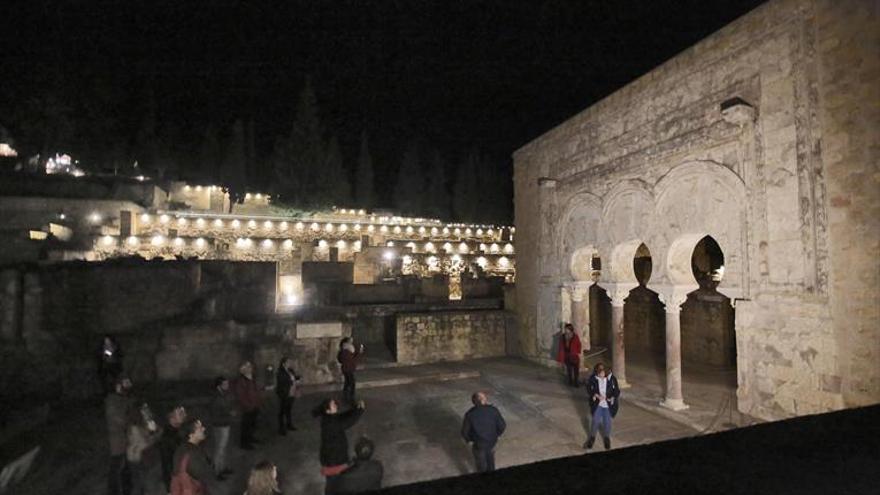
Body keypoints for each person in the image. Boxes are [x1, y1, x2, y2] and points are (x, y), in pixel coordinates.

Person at [312, 398, 366, 490]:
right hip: (334, 460)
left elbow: (344, 416)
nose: (336, 405)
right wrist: (360, 410)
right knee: (335, 483)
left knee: (334, 482)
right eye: (333, 405)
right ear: (328, 410)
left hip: (331, 457)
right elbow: (348, 422)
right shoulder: (331, 423)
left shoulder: (329, 417)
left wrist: (355, 409)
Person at [461, 391, 506, 473]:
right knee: (491, 460)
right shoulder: (493, 410)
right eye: (485, 397)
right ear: (483, 400)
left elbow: (464, 432)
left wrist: (469, 440)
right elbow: (502, 425)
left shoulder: (470, 414)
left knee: (481, 464)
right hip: (492, 441)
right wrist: (498, 435)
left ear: (474, 402)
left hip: (478, 444)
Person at [170, 418, 215, 494]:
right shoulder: (193, 454)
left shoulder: (181, 448)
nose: (204, 428)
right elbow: (205, 475)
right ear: (191, 435)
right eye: (199, 428)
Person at [106, 375, 134, 495]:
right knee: (116, 467)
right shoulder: (112, 401)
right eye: (125, 384)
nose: (128, 386)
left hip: (125, 438)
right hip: (116, 439)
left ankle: (127, 489)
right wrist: (129, 419)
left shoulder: (124, 399)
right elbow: (119, 419)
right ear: (118, 386)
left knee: (125, 466)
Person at [126, 402, 162, 495]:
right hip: (137, 458)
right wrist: (154, 434)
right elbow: (144, 443)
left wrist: (155, 431)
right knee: (139, 484)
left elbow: (154, 433)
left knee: (142, 483)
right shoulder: (134, 428)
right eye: (143, 411)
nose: (146, 413)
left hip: (142, 457)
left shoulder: (143, 424)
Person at [585, 362, 621, 450]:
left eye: (602, 372)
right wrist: (595, 395)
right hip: (598, 404)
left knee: (607, 423)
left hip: (608, 405)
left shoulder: (611, 379)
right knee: (595, 421)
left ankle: (607, 438)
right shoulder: (594, 378)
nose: (601, 374)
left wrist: (612, 397)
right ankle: (592, 438)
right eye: (599, 372)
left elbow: (616, 391)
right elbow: (589, 388)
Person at [208, 377, 236, 479]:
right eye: (225, 384)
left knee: (222, 448)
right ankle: (217, 471)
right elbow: (217, 413)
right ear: (219, 386)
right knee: (220, 449)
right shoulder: (217, 397)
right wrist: (230, 414)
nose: (227, 386)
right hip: (221, 425)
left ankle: (222, 467)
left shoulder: (221, 394)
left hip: (222, 424)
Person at [233, 361, 263, 450]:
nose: (250, 368)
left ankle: (251, 438)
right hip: (248, 407)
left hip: (255, 406)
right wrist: (248, 405)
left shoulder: (252, 379)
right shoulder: (241, 381)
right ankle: (245, 443)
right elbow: (240, 396)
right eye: (248, 367)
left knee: (253, 424)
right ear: (243, 370)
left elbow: (256, 390)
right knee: (246, 425)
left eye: (250, 367)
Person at [159, 405, 188, 492]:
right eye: (180, 413)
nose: (184, 415)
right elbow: (167, 463)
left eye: (183, 412)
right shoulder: (168, 437)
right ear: (171, 418)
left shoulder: (178, 431)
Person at [276, 356, 301, 435]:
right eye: (288, 362)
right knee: (282, 410)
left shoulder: (290, 370)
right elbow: (282, 382)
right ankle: (281, 428)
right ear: (283, 364)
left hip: (291, 392)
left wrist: (297, 378)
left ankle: (289, 424)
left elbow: (294, 377)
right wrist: (292, 381)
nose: (290, 364)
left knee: (288, 409)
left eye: (290, 362)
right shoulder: (280, 372)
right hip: (285, 393)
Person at [337, 338, 364, 403]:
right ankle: (350, 396)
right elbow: (352, 360)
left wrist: (358, 353)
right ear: (347, 342)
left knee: (347, 382)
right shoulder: (346, 351)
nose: (352, 342)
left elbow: (340, 359)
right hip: (348, 368)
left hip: (346, 368)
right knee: (352, 383)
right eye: (350, 341)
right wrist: (359, 354)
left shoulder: (344, 350)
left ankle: (346, 395)